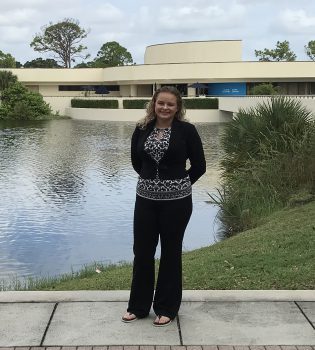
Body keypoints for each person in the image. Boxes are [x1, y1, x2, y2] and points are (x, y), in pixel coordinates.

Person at [122, 86, 206, 326]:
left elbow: (200, 166)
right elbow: (136, 162)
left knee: (170, 252)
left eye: (170, 104)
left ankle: (167, 308)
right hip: (145, 201)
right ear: (154, 104)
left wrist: (179, 184)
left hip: (177, 203)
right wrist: (152, 182)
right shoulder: (142, 129)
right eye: (161, 103)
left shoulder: (187, 131)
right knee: (143, 252)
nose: (165, 108)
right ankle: (138, 307)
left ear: (177, 107)